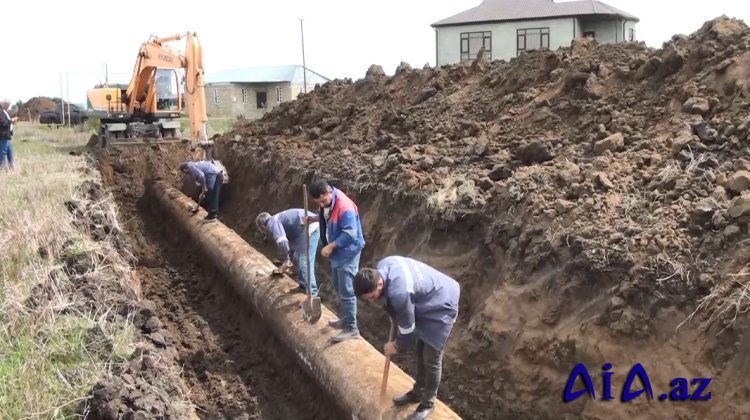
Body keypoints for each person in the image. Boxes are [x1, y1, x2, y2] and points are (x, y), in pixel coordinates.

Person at [353, 256, 460, 420]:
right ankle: (418, 392)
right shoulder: (383, 266)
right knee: (419, 350)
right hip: (425, 298)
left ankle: (428, 403)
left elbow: (408, 332)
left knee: (431, 357)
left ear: (379, 284)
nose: (372, 301)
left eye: (372, 297)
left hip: (442, 304)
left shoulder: (399, 293)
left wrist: (395, 346)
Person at [302, 178, 365, 342]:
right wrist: (314, 219)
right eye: (318, 202)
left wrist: (330, 246)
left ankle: (352, 328)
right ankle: (346, 319)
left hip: (348, 252)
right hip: (338, 252)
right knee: (338, 286)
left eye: (323, 201)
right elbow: (325, 215)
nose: (321, 204)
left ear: (330, 192)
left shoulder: (345, 207)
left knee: (346, 289)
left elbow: (350, 234)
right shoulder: (327, 203)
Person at [255, 209, 320, 296]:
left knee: (305, 262)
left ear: (263, 226)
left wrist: (287, 260)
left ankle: (312, 295)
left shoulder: (272, 222)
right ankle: (304, 286)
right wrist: (289, 259)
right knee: (300, 258)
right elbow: (290, 245)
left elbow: (282, 241)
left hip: (310, 227)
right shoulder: (281, 221)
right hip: (304, 229)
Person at [0, 99, 17, 171]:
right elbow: (2, 123)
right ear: (4, 104)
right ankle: (3, 169)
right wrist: (11, 121)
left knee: (10, 153)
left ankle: (12, 168)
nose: (8, 107)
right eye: (7, 105)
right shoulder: (0, 112)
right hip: (2, 136)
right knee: (2, 153)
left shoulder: (4, 111)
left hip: (7, 136)